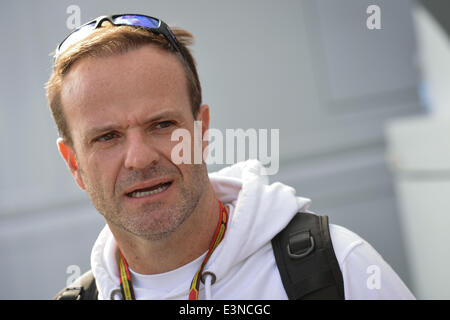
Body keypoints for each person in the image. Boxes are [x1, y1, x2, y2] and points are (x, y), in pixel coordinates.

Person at [45, 14, 415, 300]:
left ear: (202, 130)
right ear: (73, 163)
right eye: (107, 137)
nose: (139, 159)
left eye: (161, 125)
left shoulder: (337, 267)